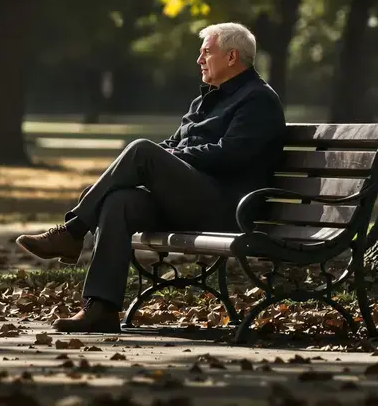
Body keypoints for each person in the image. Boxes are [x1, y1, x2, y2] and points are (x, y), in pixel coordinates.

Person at [15, 22, 286, 333]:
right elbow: (173, 144)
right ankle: (101, 308)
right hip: (192, 199)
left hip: (227, 207)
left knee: (141, 150)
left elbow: (231, 154)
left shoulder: (258, 99)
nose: (199, 60)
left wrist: (170, 157)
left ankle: (73, 230)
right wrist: (167, 156)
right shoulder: (206, 99)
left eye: (206, 53)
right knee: (119, 201)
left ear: (231, 56)